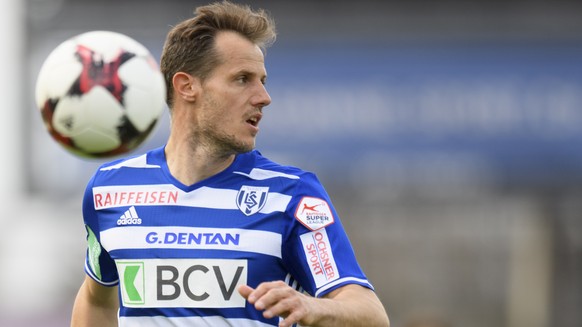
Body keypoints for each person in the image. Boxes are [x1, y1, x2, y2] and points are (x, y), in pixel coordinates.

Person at [70, 1, 390, 326]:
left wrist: (315, 308)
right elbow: (96, 300)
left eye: (262, 79)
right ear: (187, 86)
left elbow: (370, 314)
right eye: (242, 79)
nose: (263, 96)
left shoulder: (293, 196)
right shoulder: (109, 190)